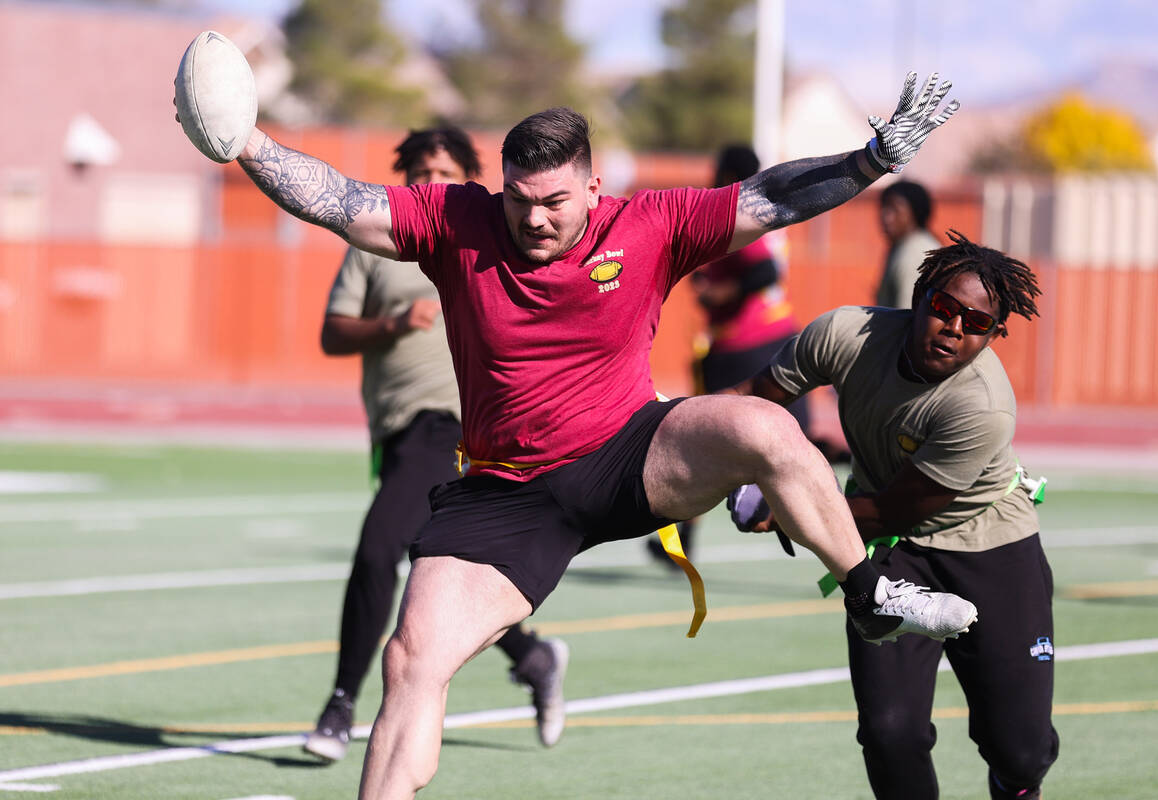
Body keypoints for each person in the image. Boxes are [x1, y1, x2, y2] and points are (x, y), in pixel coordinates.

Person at [189, 70, 975, 799]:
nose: (534, 217)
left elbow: (769, 197)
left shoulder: (651, 224)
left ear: (593, 188)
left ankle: (868, 595)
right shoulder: (454, 220)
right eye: (519, 198)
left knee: (765, 427)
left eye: (554, 201)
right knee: (411, 662)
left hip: (628, 456)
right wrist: (247, 141)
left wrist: (872, 158)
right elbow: (339, 199)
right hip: (505, 493)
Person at [733, 230, 1057, 799]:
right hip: (895, 555)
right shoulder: (844, 334)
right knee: (889, 733)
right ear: (920, 296)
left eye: (976, 323)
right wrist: (709, 453)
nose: (955, 328)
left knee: (1022, 751)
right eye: (944, 308)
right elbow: (752, 405)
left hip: (987, 544)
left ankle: (1016, 781)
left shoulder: (981, 407)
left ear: (992, 335)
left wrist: (784, 508)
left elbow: (889, 511)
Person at [303, 128, 569, 763]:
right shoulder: (379, 241)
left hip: (458, 427)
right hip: (396, 431)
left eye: (446, 172)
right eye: (421, 171)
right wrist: (392, 324)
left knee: (378, 552)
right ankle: (532, 657)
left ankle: (340, 705)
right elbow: (332, 334)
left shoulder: (486, 237)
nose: (431, 183)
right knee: (441, 567)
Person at [647, 144, 804, 566]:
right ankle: (688, 535)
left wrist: (722, 291)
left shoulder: (740, 208)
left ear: (730, 173)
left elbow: (765, 268)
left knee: (704, 440)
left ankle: (697, 529)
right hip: (766, 335)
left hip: (745, 343)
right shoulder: (766, 205)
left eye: (718, 171)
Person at [876, 180, 940, 308]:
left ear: (915, 212)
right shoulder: (902, 246)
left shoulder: (913, 253)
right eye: (884, 208)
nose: (885, 217)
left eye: (894, 210)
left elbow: (906, 314)